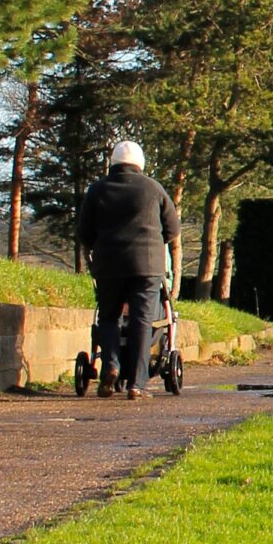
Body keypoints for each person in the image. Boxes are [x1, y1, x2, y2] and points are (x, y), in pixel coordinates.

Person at [76, 140, 178, 400]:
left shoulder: (97, 190)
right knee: (142, 322)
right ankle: (137, 384)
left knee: (109, 317)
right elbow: (172, 229)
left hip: (109, 264)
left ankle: (111, 364)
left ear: (113, 162)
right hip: (147, 265)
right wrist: (154, 242)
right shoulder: (154, 189)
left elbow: (84, 233)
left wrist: (99, 245)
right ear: (140, 164)